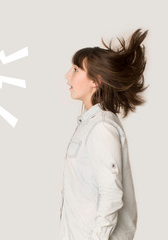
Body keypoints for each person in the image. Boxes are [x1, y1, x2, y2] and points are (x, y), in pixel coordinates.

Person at [60, 29, 147, 240]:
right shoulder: (88, 124)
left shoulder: (102, 128)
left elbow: (111, 195)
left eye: (75, 69)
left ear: (95, 81)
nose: (67, 75)